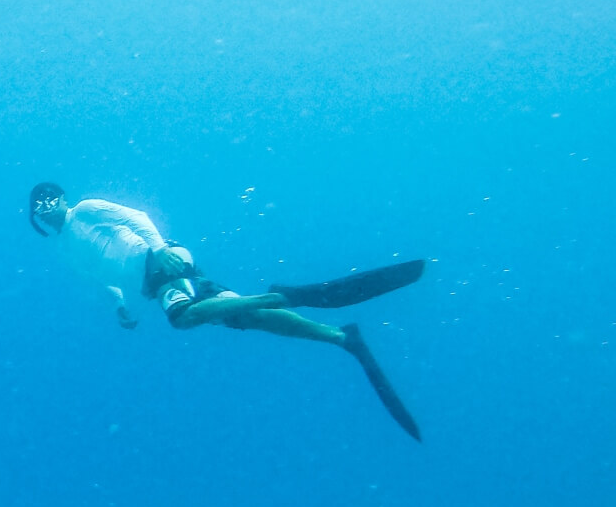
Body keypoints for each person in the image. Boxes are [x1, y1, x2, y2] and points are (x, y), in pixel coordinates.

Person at [29, 182, 425, 441]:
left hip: (159, 264)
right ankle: (343, 338)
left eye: (48, 199)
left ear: (62, 197)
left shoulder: (86, 209)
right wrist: (119, 305)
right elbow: (102, 276)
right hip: (150, 284)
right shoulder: (64, 249)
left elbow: (138, 218)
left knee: (183, 318)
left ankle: (281, 297)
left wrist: (161, 249)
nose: (44, 208)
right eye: (37, 207)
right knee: (241, 317)